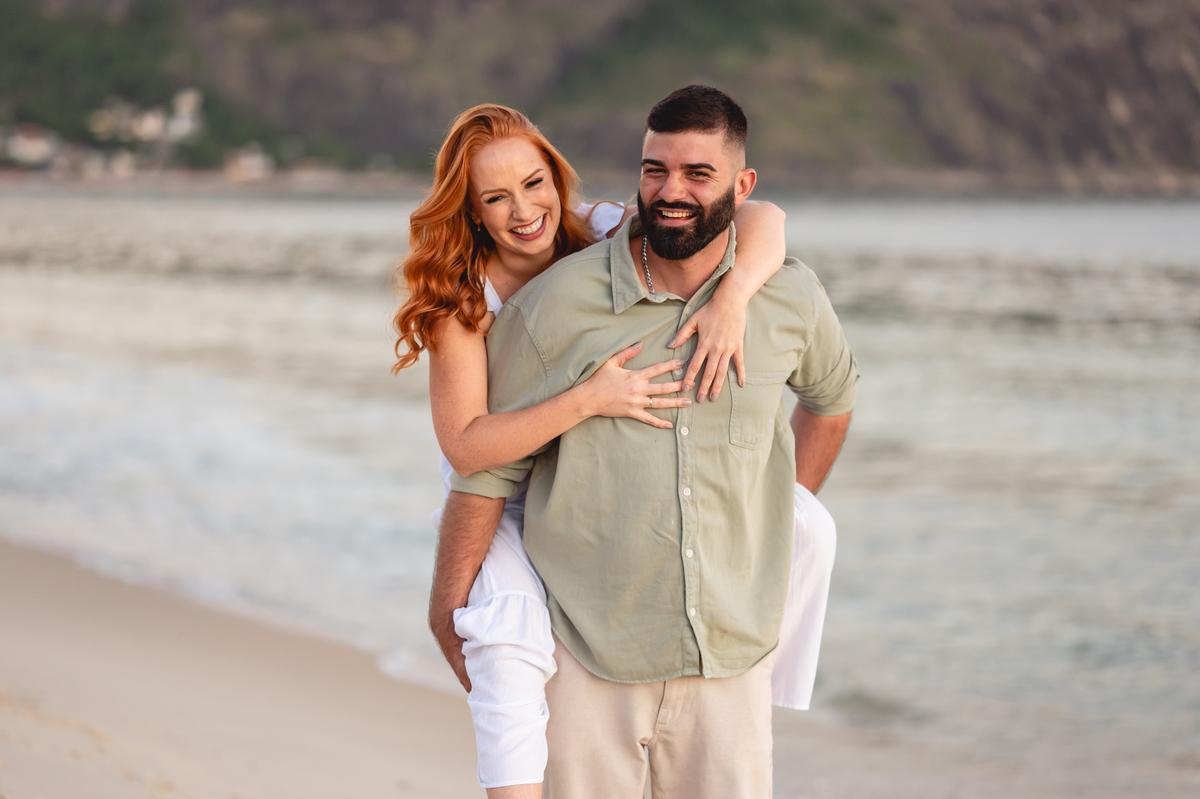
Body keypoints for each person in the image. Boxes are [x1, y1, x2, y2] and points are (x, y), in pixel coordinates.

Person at [397, 103, 839, 797]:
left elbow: (764, 220)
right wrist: (589, 397)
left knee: (810, 526)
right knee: (507, 644)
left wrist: (734, 296)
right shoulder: (466, 301)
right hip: (505, 497)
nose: (523, 211)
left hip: (580, 482)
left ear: (557, 179)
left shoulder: (605, 229)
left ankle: (746, 665)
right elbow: (467, 449)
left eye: (534, 184)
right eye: (496, 197)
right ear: (472, 212)